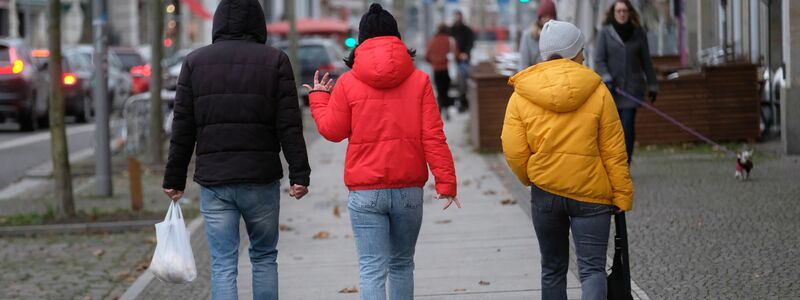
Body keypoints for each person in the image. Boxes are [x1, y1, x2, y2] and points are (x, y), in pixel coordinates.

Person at [303, 4, 459, 300]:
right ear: (397, 38)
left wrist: (320, 99)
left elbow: (333, 132)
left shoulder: (347, 83)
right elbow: (433, 136)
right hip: (409, 189)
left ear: (360, 41)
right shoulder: (420, 80)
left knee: (372, 269)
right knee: (402, 265)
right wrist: (446, 181)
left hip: (365, 191)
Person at [162, 0, 311, 299]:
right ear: (259, 22)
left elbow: (183, 128)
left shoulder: (194, 63)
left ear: (217, 23)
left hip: (215, 181)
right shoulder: (276, 61)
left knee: (223, 263)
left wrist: (174, 179)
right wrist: (299, 174)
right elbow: (289, 124)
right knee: (264, 257)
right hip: (261, 179)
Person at [501, 20, 634, 300]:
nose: (585, 55)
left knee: (552, 269)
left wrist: (531, 176)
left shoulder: (522, 93)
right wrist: (621, 195)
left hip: (546, 193)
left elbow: (513, 148)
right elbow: (613, 150)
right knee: (592, 270)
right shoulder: (598, 90)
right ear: (573, 53)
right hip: (592, 195)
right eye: (581, 49)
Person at [594, 0, 658, 163]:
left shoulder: (638, 33)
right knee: (612, 129)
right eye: (618, 11)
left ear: (629, 13)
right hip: (612, 91)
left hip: (631, 90)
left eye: (624, 11)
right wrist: (607, 79)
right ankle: (612, 161)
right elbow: (599, 61)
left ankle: (625, 162)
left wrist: (652, 86)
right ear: (613, 14)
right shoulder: (605, 33)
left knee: (627, 127)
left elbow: (646, 61)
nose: (622, 14)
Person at [425, 23, 456, 121]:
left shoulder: (432, 41)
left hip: (436, 69)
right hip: (446, 69)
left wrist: (433, 62)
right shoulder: (448, 40)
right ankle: (446, 110)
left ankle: (440, 110)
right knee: (446, 90)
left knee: (439, 90)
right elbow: (454, 53)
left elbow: (427, 55)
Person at [518, 0, 557, 70]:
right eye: (544, 16)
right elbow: (523, 63)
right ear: (539, 18)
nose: (547, 20)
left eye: (550, 16)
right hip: (534, 76)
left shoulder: (559, 35)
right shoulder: (528, 35)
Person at [449, 10, 475, 112]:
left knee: (463, 81)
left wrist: (466, 54)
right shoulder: (451, 30)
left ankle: (463, 101)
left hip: (464, 60)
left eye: (458, 16)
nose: (457, 18)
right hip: (453, 60)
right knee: (458, 81)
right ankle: (460, 101)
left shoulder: (467, 30)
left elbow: (470, 43)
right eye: (456, 16)